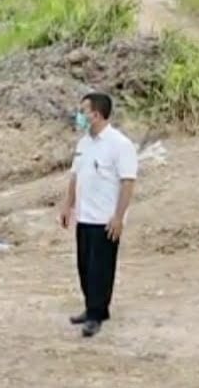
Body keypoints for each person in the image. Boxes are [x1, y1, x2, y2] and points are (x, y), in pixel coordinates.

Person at [59, 92, 137, 337]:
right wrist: (68, 205)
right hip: (84, 216)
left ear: (97, 114)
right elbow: (75, 176)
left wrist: (118, 216)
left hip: (105, 219)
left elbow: (127, 182)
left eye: (84, 111)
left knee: (100, 269)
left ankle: (96, 314)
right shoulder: (84, 143)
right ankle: (90, 307)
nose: (80, 116)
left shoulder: (119, 145)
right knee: (84, 266)